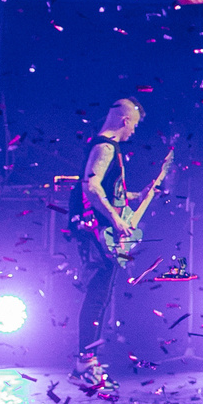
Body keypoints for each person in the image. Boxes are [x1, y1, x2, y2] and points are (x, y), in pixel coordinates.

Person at [71, 98, 168, 385]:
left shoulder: (107, 148)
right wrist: (115, 219)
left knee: (100, 297)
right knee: (97, 297)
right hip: (96, 231)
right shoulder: (105, 147)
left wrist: (139, 195)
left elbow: (110, 194)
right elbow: (91, 186)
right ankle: (83, 364)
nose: (134, 132)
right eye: (134, 125)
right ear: (125, 121)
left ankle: (87, 361)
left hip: (100, 230)